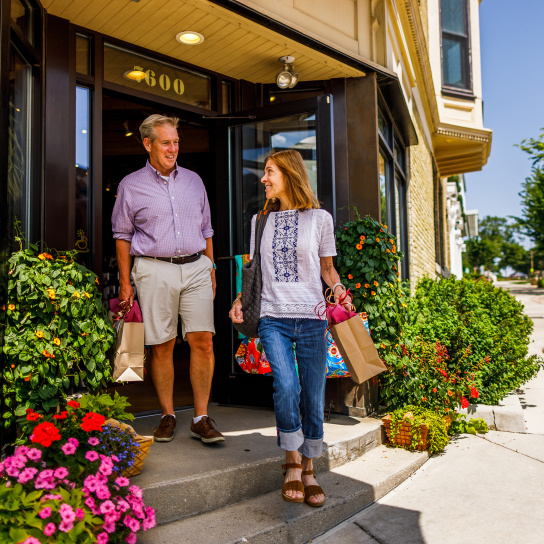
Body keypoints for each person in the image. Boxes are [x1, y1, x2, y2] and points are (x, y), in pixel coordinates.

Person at [229, 149, 351, 507]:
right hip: (272, 315)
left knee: (312, 394)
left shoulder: (320, 219)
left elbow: (327, 269)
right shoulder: (259, 221)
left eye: (269, 172)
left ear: (289, 174)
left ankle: (310, 466)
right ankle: (292, 464)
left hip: (312, 317)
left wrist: (340, 292)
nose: (263, 179)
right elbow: (254, 272)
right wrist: (240, 301)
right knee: (285, 386)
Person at [112, 114, 224, 444]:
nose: (173, 148)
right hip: (153, 267)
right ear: (147, 144)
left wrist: (211, 267)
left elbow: (207, 230)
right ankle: (167, 414)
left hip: (196, 266)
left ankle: (201, 417)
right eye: (165, 142)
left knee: (203, 340)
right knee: (163, 345)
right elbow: (122, 235)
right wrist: (125, 282)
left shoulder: (193, 181)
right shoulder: (130, 185)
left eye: (176, 142)